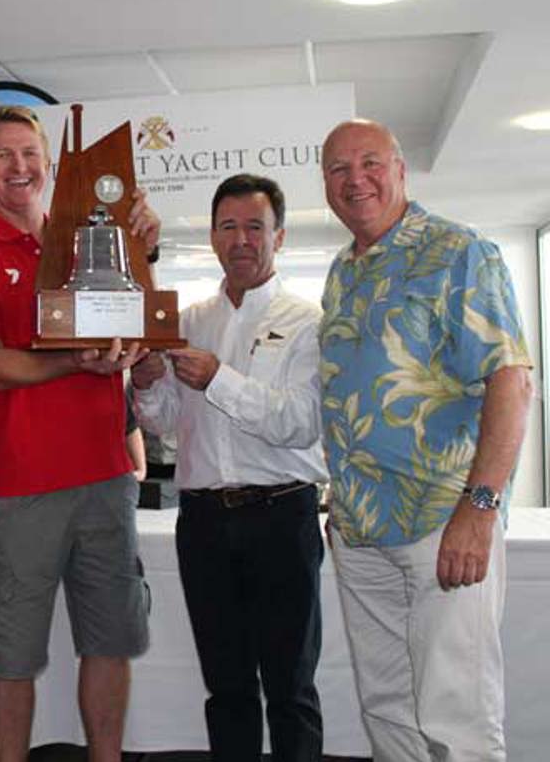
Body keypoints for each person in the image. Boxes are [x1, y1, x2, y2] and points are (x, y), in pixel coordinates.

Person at [0, 105, 158, 762]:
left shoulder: (92, 239)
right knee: (10, 652)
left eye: (29, 153)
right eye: (2, 156)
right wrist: (74, 363)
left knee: (110, 638)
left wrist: (143, 248)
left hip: (106, 476)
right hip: (22, 484)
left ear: (49, 165)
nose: (18, 167)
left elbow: (138, 322)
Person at [319, 118, 532, 762]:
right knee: (385, 705)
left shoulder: (460, 251)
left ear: (402, 169)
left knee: (457, 714)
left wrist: (481, 508)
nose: (356, 179)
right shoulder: (341, 271)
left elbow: (511, 383)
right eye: (338, 169)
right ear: (325, 186)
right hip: (359, 530)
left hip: (441, 520)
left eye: (370, 163)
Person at [132, 174, 327, 761]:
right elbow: (167, 421)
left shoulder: (309, 322)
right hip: (205, 524)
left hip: (281, 517)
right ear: (213, 237)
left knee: (291, 688)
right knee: (227, 686)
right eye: (228, 227)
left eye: (254, 227)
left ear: (279, 236)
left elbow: (300, 423)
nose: (241, 239)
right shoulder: (187, 320)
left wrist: (219, 378)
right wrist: (145, 384)